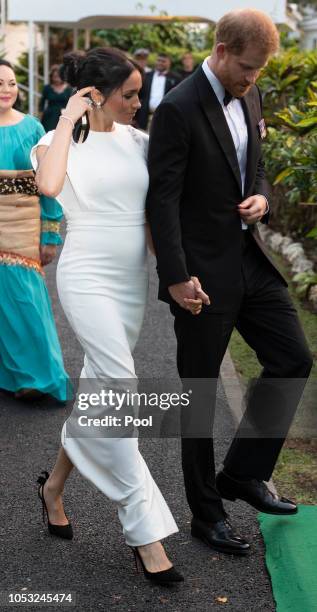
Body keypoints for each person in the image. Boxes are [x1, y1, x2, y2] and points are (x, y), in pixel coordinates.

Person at [146, 9, 313, 556]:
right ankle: (205, 514)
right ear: (220, 50)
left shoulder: (252, 93)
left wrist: (261, 196)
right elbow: (162, 202)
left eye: (260, 70)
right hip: (200, 275)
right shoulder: (177, 108)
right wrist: (175, 277)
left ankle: (242, 473)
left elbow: (254, 165)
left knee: (293, 357)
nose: (252, 79)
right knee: (198, 395)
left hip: (249, 259)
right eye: (246, 68)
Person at [32, 47, 186, 585]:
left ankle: (53, 488)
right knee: (122, 387)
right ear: (96, 94)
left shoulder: (141, 142)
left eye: (140, 94)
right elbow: (49, 189)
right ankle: (145, 534)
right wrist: (67, 118)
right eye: (129, 94)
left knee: (102, 390)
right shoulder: (53, 144)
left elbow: (155, 216)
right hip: (86, 275)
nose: (138, 104)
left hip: (129, 284)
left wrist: (176, 273)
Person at [0, 59, 71, 402]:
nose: (6, 90)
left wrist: (50, 234)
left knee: (26, 303)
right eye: (0, 83)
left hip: (22, 230)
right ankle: (10, 377)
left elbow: (49, 188)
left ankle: (42, 378)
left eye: (12, 83)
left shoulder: (32, 129)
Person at [135, 53, 180, 131]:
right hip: (144, 115)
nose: (160, 63)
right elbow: (138, 95)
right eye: (158, 60)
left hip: (165, 117)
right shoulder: (146, 75)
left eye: (163, 61)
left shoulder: (176, 78)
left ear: (169, 63)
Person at [40, 65, 73, 132]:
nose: (57, 79)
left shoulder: (69, 89)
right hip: (49, 117)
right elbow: (42, 103)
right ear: (51, 77)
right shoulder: (47, 88)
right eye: (54, 76)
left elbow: (71, 104)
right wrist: (41, 115)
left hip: (64, 116)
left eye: (58, 76)